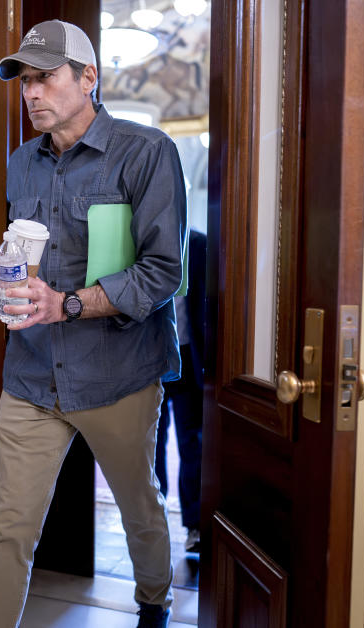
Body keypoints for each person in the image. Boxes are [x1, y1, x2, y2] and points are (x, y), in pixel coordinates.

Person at [0, 19, 186, 628]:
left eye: (45, 77)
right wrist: (13, 282)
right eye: (24, 81)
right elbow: (28, 255)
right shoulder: (22, 165)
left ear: (89, 78)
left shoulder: (146, 153)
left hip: (118, 374)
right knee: (7, 532)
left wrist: (65, 302)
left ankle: (153, 607)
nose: (31, 93)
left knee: (140, 509)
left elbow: (163, 272)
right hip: (32, 377)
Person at [155, 229, 205, 554]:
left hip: (189, 355)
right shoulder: (143, 240)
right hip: (153, 357)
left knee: (192, 442)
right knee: (151, 443)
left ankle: (195, 524)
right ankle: (153, 525)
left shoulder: (200, 244)